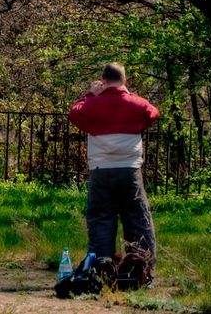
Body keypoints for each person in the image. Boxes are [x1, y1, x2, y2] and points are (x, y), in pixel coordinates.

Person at [69, 62, 160, 274]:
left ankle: (102, 268)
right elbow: (153, 113)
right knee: (138, 219)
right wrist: (129, 95)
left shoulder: (93, 104)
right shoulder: (135, 104)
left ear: (103, 80)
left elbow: (75, 113)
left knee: (101, 218)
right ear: (124, 80)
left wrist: (91, 95)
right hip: (130, 170)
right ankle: (140, 269)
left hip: (101, 170)